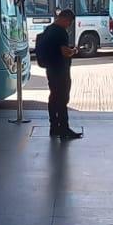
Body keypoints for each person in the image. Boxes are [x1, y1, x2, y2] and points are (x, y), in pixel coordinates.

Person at [36, 8, 81, 140]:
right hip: (60, 70)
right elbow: (65, 52)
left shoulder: (49, 29)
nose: (69, 25)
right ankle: (64, 129)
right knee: (62, 99)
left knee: (53, 97)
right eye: (70, 22)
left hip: (51, 69)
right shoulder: (60, 32)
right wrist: (74, 51)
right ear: (65, 19)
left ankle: (54, 127)